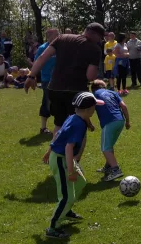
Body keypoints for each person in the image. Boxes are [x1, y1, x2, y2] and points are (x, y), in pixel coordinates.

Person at [24, 22, 105, 137]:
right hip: (76, 91)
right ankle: (74, 155)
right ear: (95, 35)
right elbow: (90, 77)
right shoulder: (95, 49)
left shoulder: (62, 38)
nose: (99, 41)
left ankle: (55, 153)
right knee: (78, 125)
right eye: (100, 38)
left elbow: (42, 57)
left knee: (59, 124)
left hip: (55, 88)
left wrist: (31, 76)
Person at [44, 91, 104, 240]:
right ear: (88, 110)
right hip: (62, 159)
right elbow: (68, 147)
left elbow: (59, 135)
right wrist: (70, 170)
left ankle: (67, 211)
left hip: (62, 157)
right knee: (67, 196)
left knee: (81, 182)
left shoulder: (73, 117)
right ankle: (53, 227)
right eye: (94, 107)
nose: (95, 109)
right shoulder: (78, 124)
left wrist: (48, 150)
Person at [91, 80, 131, 181]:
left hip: (109, 122)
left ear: (93, 88)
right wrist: (127, 121)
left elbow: (89, 111)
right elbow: (124, 106)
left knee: (105, 148)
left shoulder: (94, 95)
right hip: (120, 120)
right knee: (109, 145)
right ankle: (108, 167)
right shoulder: (113, 92)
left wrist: (88, 123)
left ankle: (115, 169)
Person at [35, 28, 59, 134]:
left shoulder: (60, 47)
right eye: (56, 35)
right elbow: (37, 62)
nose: (59, 36)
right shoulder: (43, 48)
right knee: (47, 102)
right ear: (49, 36)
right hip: (47, 80)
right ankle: (43, 128)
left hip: (60, 79)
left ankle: (59, 127)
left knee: (59, 102)